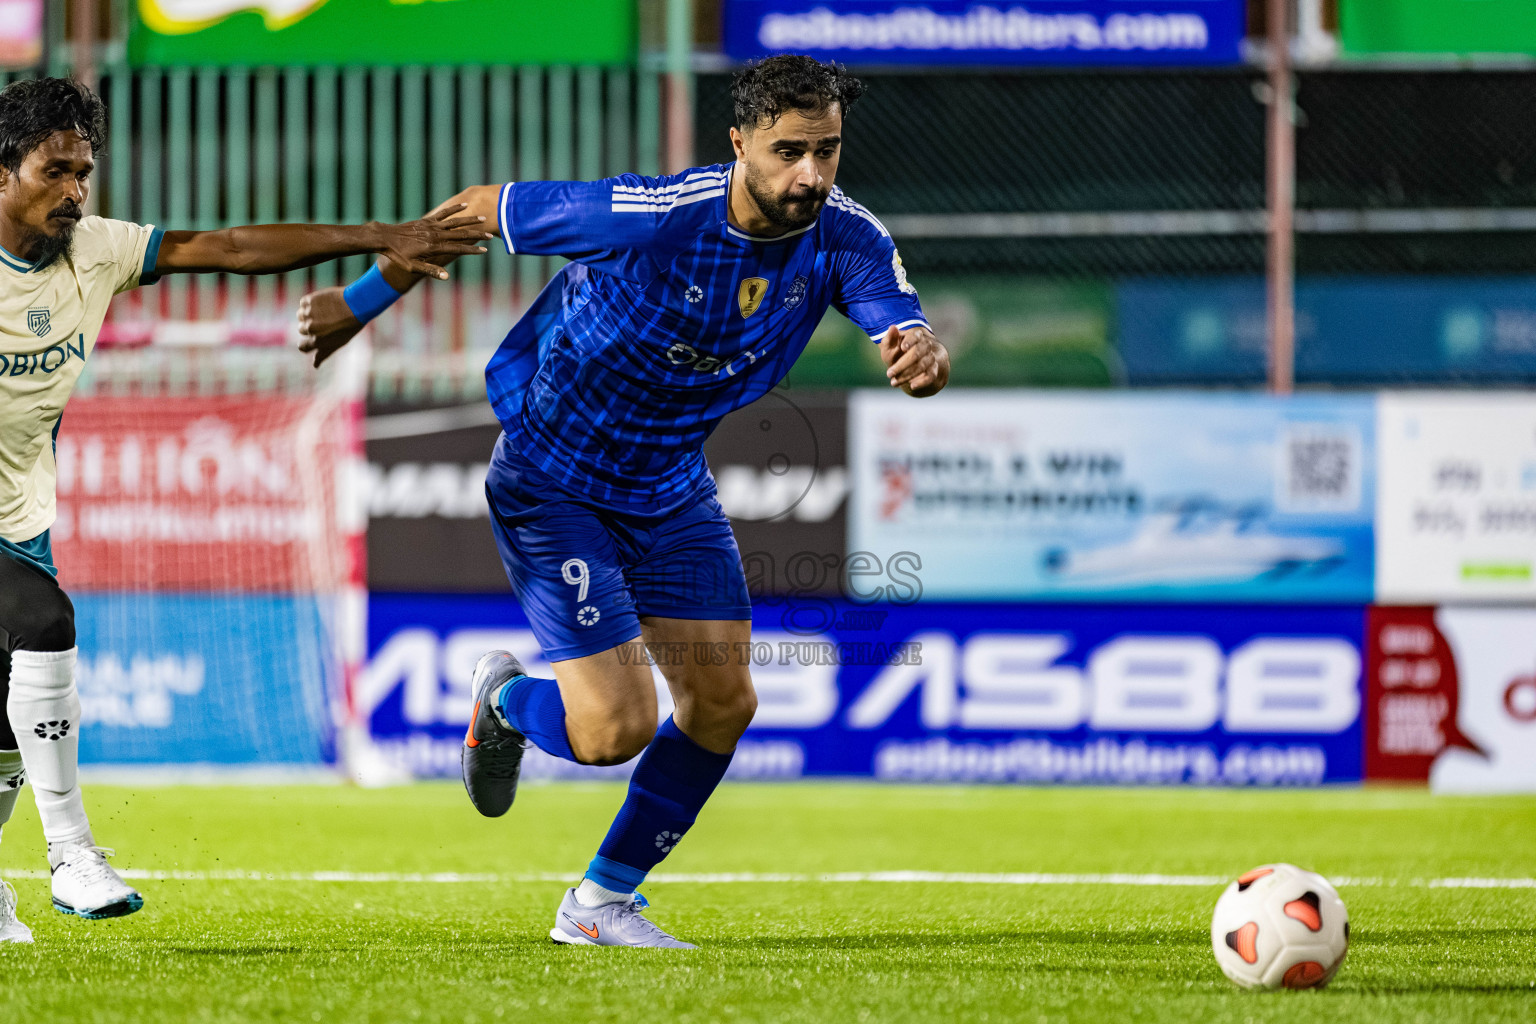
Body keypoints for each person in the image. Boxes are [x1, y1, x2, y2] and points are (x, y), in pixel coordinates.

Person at [297, 54, 949, 948]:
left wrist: (919, 350)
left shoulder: (847, 236)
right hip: (552, 475)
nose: (810, 174)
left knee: (723, 704)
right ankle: (507, 704)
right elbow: (480, 206)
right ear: (739, 144)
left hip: (670, 482)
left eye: (827, 151)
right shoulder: (654, 217)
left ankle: (598, 904)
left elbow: (897, 318)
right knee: (613, 733)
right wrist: (363, 301)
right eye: (789, 150)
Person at [0, 76, 491, 941]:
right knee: (44, 623)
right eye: (55, 172)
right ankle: (72, 855)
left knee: (3, 729)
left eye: (85, 172)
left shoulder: (99, 250)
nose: (75, 191)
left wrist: (383, 237)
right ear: (3, 174)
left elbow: (226, 246)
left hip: (20, 513)